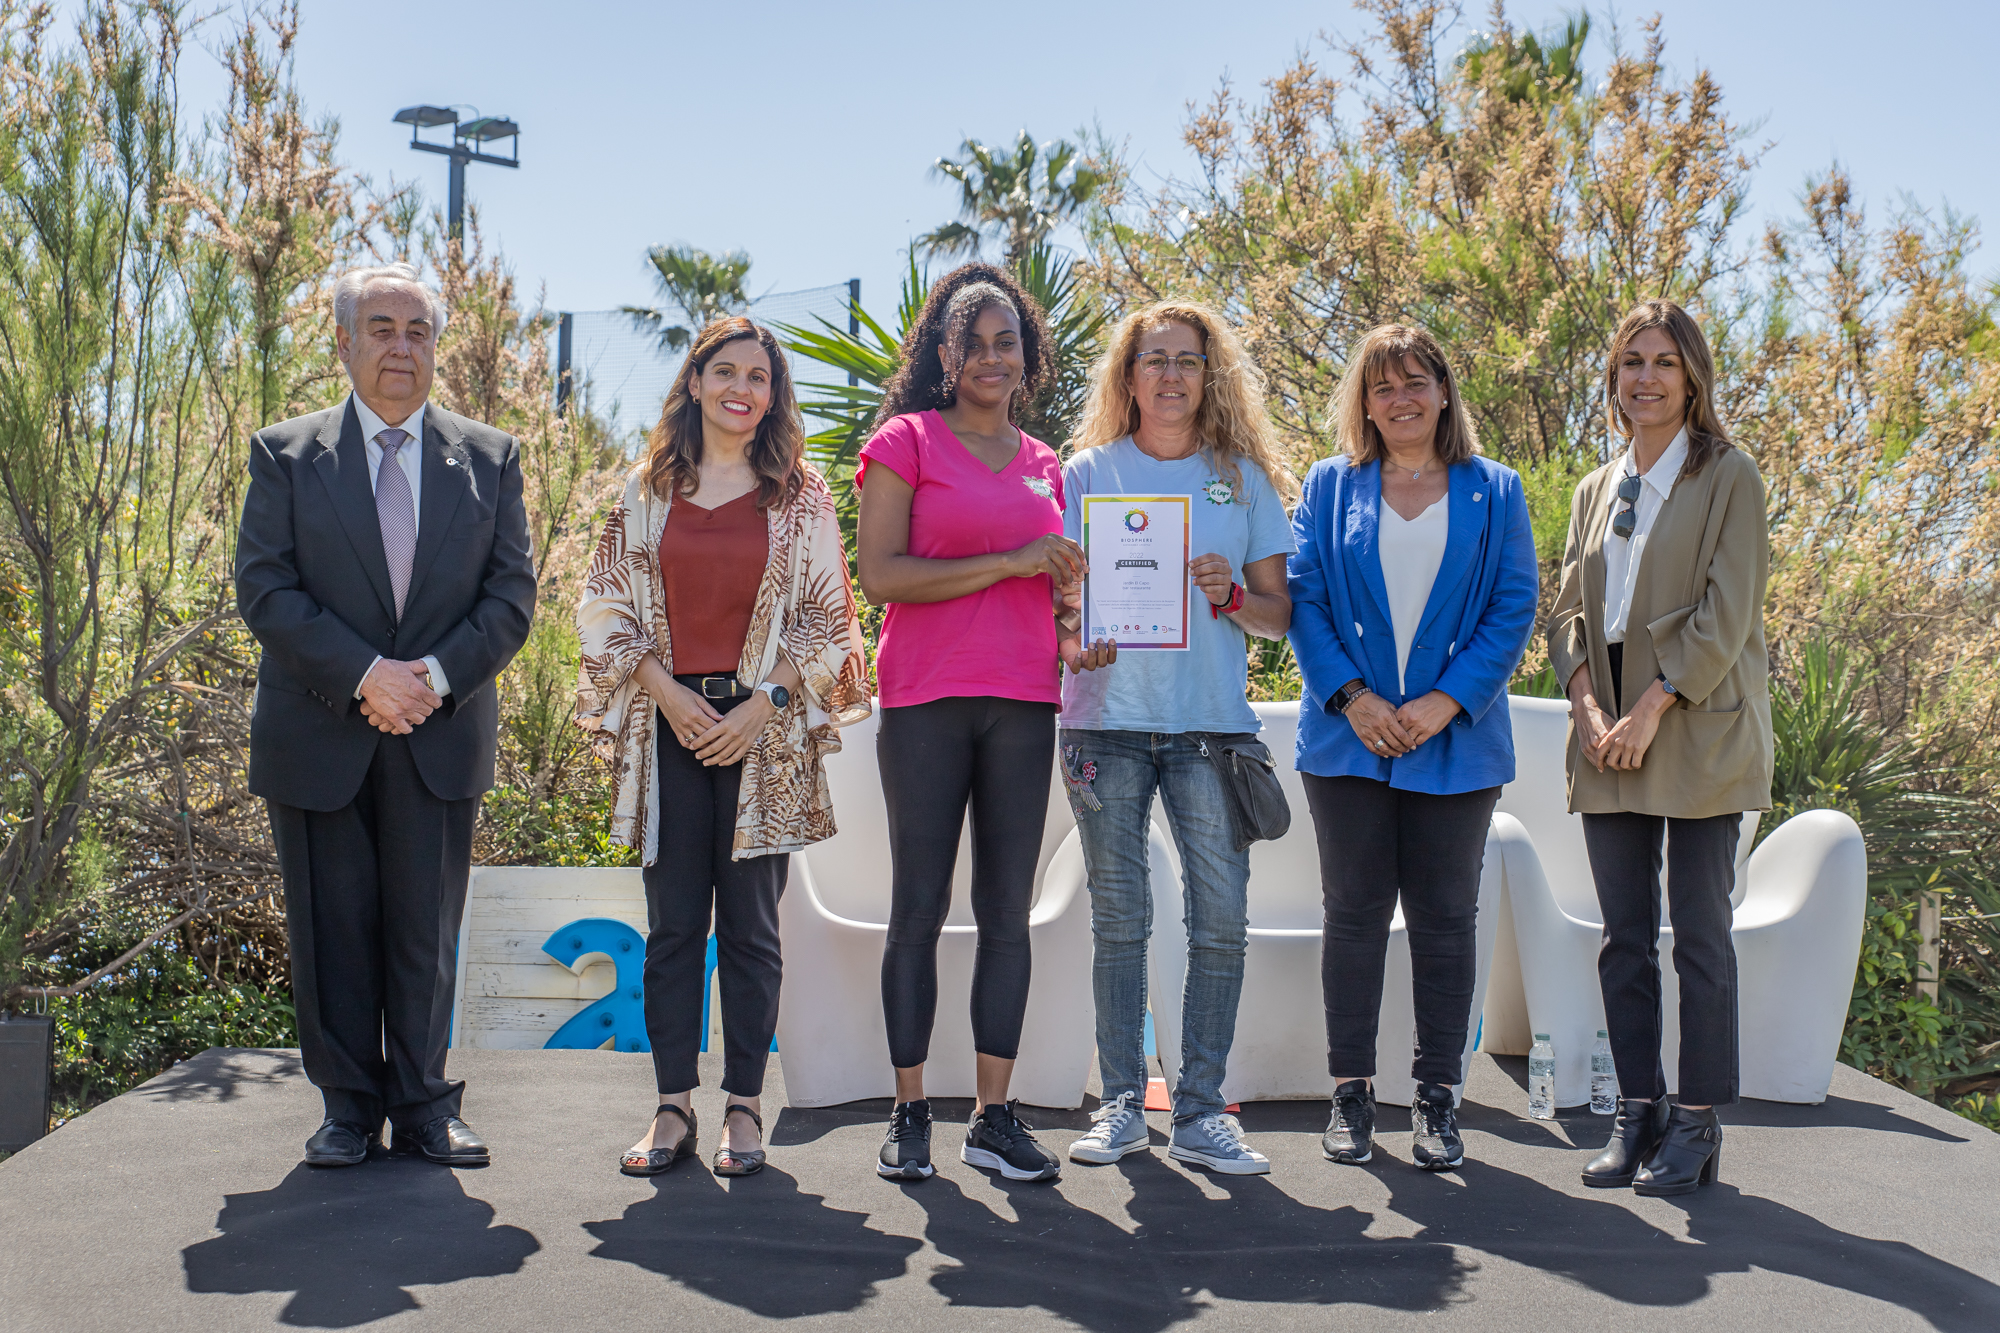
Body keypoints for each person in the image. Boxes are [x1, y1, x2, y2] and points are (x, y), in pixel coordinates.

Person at [236, 262, 537, 1169]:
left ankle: (424, 1105)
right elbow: (265, 588)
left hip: (438, 732)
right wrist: (367, 676)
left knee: (424, 933)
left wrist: (428, 680)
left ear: (435, 346)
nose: (401, 346)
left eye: (417, 330)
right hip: (318, 733)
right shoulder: (285, 454)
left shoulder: (491, 458)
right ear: (343, 342)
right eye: (381, 327)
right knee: (330, 932)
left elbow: (510, 598)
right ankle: (346, 1108)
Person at [576, 317, 869, 1177]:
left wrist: (763, 703)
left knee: (750, 929)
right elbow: (602, 607)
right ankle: (672, 1106)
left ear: (773, 396)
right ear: (696, 381)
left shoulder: (800, 495)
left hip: (762, 734)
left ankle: (744, 1105)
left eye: (760, 377)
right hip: (668, 724)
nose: (743, 388)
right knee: (672, 927)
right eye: (727, 371)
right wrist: (666, 693)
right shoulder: (647, 490)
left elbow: (830, 618)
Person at [856, 263, 1113, 1184]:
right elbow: (881, 575)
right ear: (944, 353)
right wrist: (1012, 560)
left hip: (1025, 699)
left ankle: (993, 1117)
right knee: (918, 906)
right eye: (974, 343)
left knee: (1007, 911)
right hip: (924, 698)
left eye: (1008, 342)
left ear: (1027, 354)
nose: (992, 358)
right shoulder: (906, 441)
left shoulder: (1046, 463)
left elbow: (1055, 590)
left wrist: (1079, 637)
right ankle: (909, 1111)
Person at [1287, 323, 1538, 1172]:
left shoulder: (1495, 489)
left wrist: (1444, 701)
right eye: (1383, 385)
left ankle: (1437, 1098)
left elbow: (1513, 604)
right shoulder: (1329, 486)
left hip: (1455, 739)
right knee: (1353, 915)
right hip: (1348, 738)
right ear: (1364, 402)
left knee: (1444, 919)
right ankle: (1350, 1094)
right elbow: (1305, 599)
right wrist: (1355, 699)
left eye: (1416, 382)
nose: (1401, 399)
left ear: (1443, 391)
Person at [1054, 301, 1295, 1176]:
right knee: (1121, 921)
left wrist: (1231, 595)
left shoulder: (1243, 480)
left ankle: (1199, 1111)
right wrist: (1075, 638)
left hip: (1210, 731)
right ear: (1128, 376)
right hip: (1103, 723)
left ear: (1208, 374)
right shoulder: (1085, 474)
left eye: (1186, 360)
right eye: (1153, 359)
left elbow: (1279, 617)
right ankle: (1122, 1103)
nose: (1169, 375)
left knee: (1220, 922)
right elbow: (1055, 607)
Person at [1548, 299, 1771, 1196]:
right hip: (1607, 737)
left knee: (1701, 938)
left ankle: (1697, 1119)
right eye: (1631, 362)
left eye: (1664, 362)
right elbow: (1567, 612)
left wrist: (1649, 708)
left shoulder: (1730, 476)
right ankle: (1636, 1112)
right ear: (1614, 379)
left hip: (1695, 731)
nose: (1646, 378)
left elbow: (1727, 614)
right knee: (1624, 940)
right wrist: (1584, 706)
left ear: (1692, 378)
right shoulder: (1594, 487)